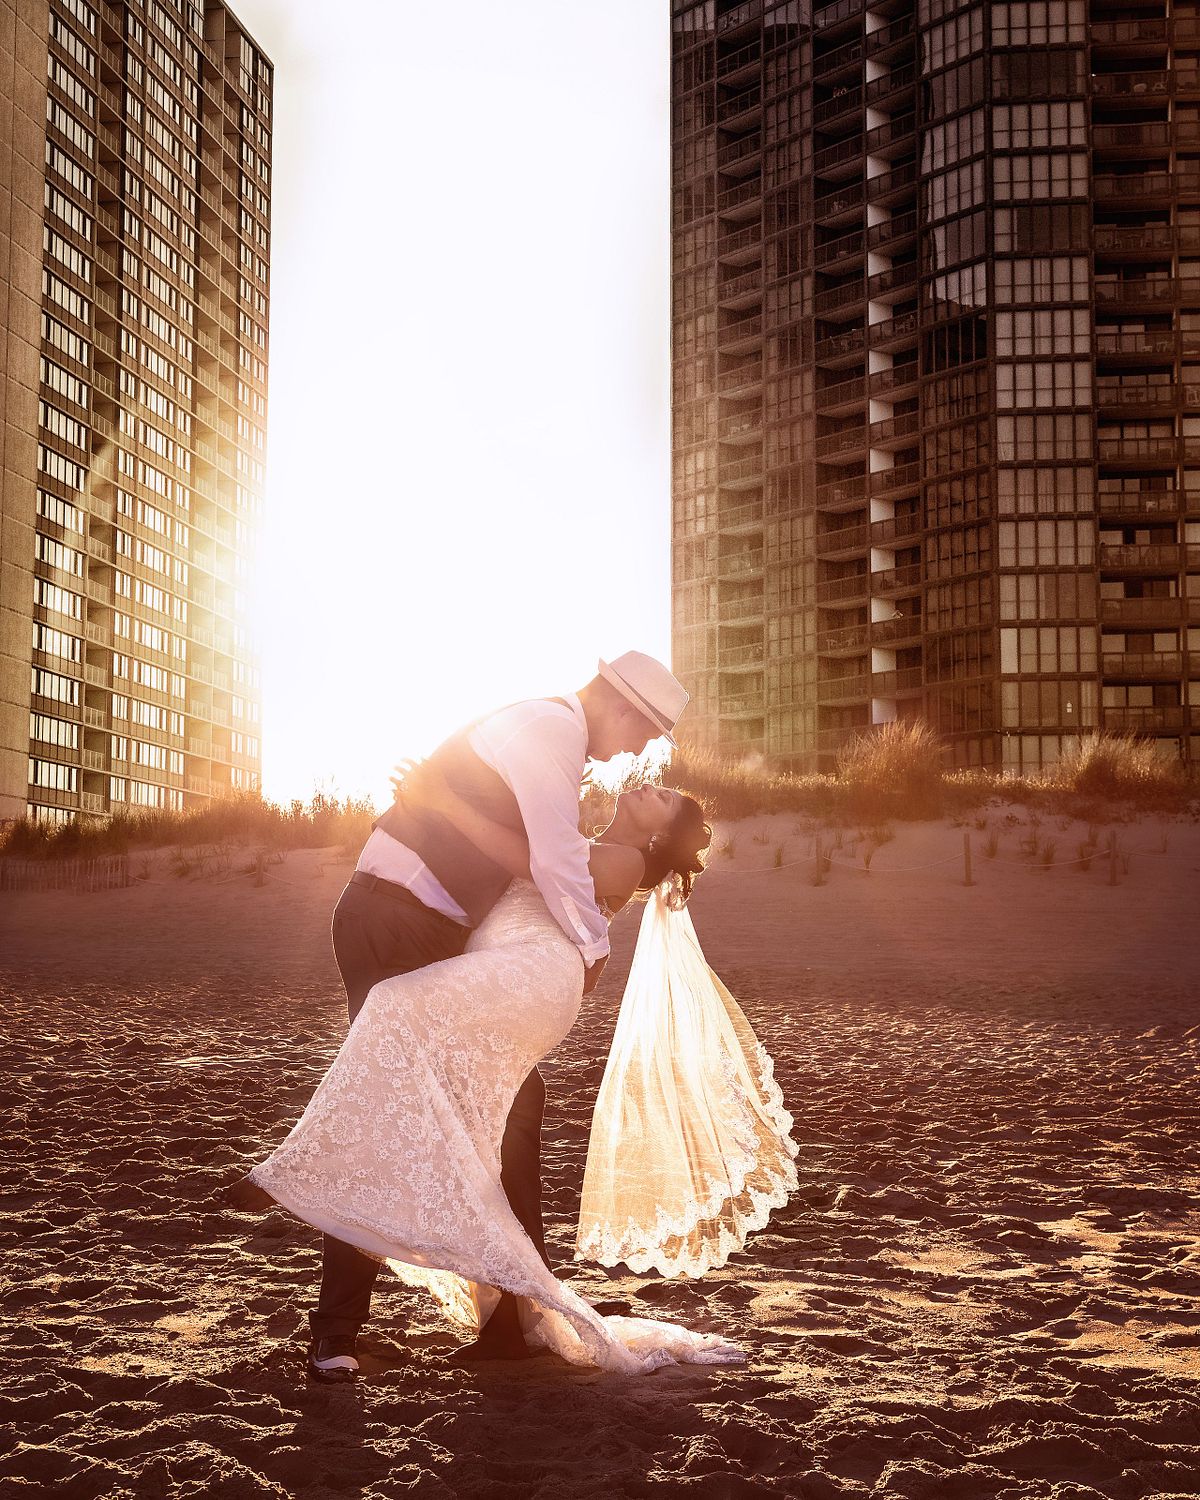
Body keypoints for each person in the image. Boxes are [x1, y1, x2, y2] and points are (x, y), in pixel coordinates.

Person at [239, 652, 690, 1381]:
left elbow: (528, 857)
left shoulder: (544, 735)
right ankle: (354, 1327)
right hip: (402, 920)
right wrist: (591, 946)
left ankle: (505, 1315)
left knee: (506, 1103)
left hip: (413, 923)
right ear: (627, 710)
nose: (637, 752)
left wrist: (441, 803)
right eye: (645, 734)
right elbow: (552, 862)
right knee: (408, 1112)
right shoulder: (551, 733)